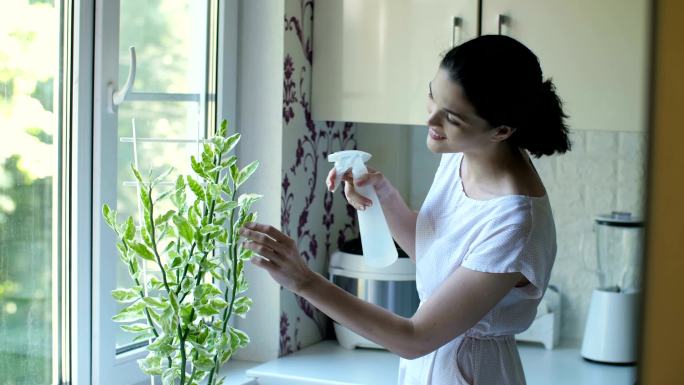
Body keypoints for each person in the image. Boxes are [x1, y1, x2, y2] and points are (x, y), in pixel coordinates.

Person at [239, 35, 570, 385]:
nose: (431, 120)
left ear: (501, 130)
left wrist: (303, 280)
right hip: (430, 365)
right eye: (433, 96)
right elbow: (437, 258)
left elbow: (414, 338)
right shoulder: (464, 153)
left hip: (471, 370)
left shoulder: (515, 223)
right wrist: (382, 195)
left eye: (452, 117)